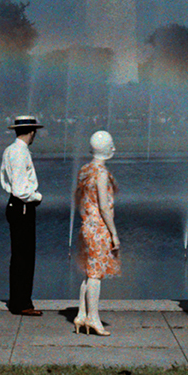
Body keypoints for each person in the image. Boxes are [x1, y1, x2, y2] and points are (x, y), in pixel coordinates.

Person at [74, 130, 120, 336]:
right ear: (108, 149)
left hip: (86, 225)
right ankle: (93, 317)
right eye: (112, 145)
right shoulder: (101, 173)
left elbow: (81, 201)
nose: (114, 148)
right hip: (99, 227)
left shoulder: (85, 170)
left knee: (88, 272)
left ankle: (82, 314)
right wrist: (114, 233)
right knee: (95, 275)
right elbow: (104, 207)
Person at [0, 115, 44, 316]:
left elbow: (6, 180)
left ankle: (18, 300)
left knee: (19, 255)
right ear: (32, 131)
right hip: (23, 205)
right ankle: (22, 302)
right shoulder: (19, 152)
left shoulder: (11, 150)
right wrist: (36, 196)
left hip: (15, 204)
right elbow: (19, 189)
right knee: (24, 256)